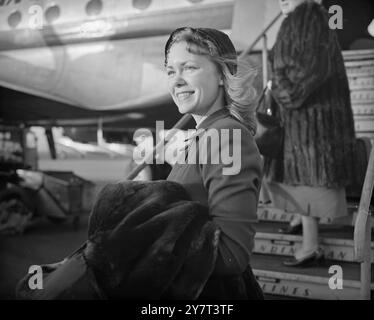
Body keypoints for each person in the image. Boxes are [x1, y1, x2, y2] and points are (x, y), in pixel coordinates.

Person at [164, 27, 264, 299]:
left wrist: (142, 253)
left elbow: (231, 255)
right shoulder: (205, 135)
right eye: (171, 71)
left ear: (222, 75)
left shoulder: (226, 137)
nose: (177, 81)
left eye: (189, 68)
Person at [262, 0, 356, 266]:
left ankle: (311, 246)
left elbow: (307, 69)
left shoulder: (307, 17)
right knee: (302, 177)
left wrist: (283, 93)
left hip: (308, 119)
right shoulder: (309, 18)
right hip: (309, 119)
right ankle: (301, 226)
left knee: (306, 178)